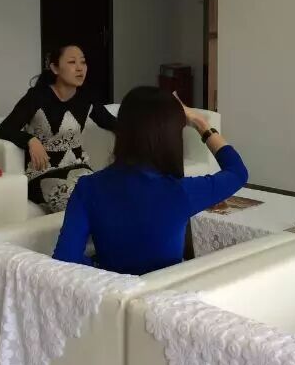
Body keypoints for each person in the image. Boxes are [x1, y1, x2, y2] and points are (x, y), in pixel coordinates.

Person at [52, 86, 248, 275]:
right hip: (162, 295)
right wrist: (200, 123)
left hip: (110, 294)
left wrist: (103, 270)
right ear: (171, 137)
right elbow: (237, 172)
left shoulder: (87, 187)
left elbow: (65, 259)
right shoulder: (181, 191)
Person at [0, 44, 117, 213]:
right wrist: (30, 140)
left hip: (79, 169)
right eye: (72, 62)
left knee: (110, 197)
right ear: (55, 68)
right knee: (78, 204)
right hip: (42, 174)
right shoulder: (36, 97)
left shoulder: (87, 97)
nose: (80, 68)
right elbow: (4, 129)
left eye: (83, 62)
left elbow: (111, 123)